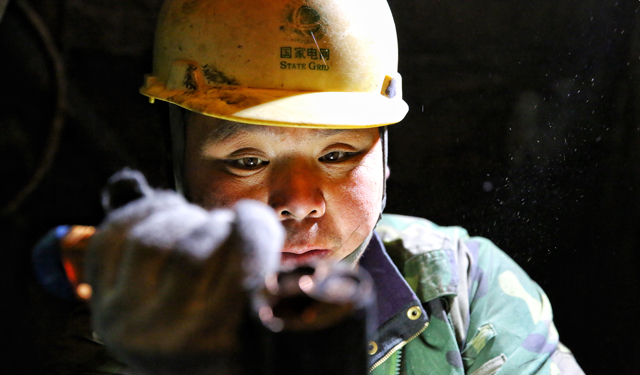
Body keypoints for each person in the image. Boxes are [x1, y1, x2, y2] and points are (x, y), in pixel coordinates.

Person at [39, 0, 584, 373]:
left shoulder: (465, 289)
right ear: (176, 163)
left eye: (338, 155)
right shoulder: (124, 332)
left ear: (385, 159)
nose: (299, 202)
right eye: (248, 159)